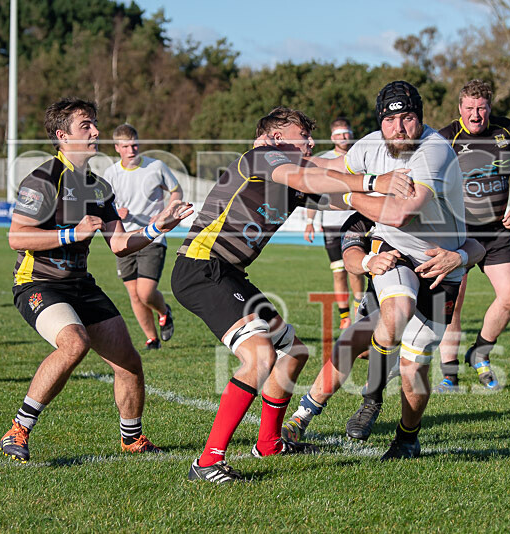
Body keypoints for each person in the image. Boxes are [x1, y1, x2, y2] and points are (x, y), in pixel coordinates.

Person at [173, 106, 415, 483]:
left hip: (229, 273)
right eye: (301, 134)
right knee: (261, 356)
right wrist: (372, 181)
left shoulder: (295, 179)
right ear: (273, 137)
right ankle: (207, 463)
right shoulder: (264, 157)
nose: (309, 140)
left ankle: (269, 442)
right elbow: (308, 177)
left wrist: (397, 208)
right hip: (202, 269)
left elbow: (338, 197)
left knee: (294, 352)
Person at [0, 98, 192, 463]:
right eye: (86, 125)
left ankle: (132, 439)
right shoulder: (42, 180)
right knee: (74, 343)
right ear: (62, 135)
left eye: (95, 124)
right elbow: (17, 237)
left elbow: (119, 244)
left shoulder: (98, 186)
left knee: (129, 363)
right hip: (39, 282)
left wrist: (157, 227)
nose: (96, 132)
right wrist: (70, 234)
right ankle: (18, 429)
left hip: (80, 284)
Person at [313, 80, 467, 457]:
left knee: (414, 373)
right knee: (393, 313)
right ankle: (372, 399)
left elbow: (400, 212)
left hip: (440, 264)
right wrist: (280, 161)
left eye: (408, 118)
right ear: (379, 121)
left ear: (421, 119)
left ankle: (407, 436)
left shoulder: (433, 151)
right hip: (395, 250)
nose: (399, 128)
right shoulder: (368, 145)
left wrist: (349, 194)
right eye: (391, 120)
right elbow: (329, 170)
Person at [281, 213, 485, 443]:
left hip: (436, 288)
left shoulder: (437, 207)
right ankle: (304, 414)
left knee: (414, 366)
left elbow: (478, 245)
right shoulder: (368, 213)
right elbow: (350, 257)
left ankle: (406, 437)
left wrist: (460, 256)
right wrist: (369, 261)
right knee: (359, 345)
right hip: (387, 290)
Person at [435, 79, 510, 391]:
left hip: (496, 231)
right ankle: (449, 374)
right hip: (459, 233)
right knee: (455, 302)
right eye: (469, 108)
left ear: (489, 107)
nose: (475, 114)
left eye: (481, 108)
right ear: (460, 109)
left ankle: (480, 352)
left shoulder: (506, 130)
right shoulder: (446, 139)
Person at [102, 124, 182, 350]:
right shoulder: (111, 173)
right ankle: (152, 339)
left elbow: (176, 190)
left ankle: (164, 311)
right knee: (134, 295)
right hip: (124, 238)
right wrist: (115, 212)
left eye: (134, 144)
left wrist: (165, 212)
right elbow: (105, 204)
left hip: (153, 237)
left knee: (145, 292)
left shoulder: (156, 166)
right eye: (126, 146)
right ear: (117, 148)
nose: (131, 149)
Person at [302, 117, 365, 329]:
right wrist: (310, 221)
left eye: (346, 133)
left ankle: (359, 310)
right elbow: (313, 192)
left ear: (352, 134)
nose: (343, 137)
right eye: (338, 134)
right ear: (332, 137)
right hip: (330, 225)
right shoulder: (324, 159)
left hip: (356, 222)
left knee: (356, 269)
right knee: (338, 271)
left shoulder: (360, 158)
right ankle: (345, 316)